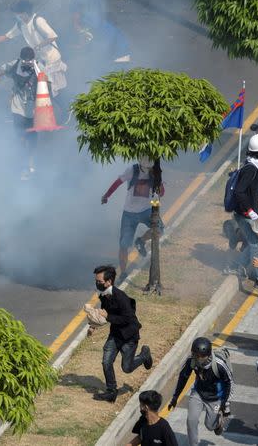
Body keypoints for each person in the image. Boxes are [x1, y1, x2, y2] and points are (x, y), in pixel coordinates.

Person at [0, 0, 68, 98]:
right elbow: (6, 36)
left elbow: (53, 36)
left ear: (25, 13)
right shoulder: (20, 25)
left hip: (52, 59)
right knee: (44, 90)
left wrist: (37, 47)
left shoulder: (38, 21)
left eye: (18, 14)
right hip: (40, 61)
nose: (17, 16)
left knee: (54, 89)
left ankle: (69, 107)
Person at [90, 265, 152, 402]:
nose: (97, 283)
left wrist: (108, 317)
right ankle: (111, 391)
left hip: (129, 336)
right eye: (96, 281)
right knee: (106, 361)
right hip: (115, 334)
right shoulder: (103, 295)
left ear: (109, 281)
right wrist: (93, 325)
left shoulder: (121, 297)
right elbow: (104, 312)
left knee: (127, 368)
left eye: (99, 281)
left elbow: (128, 318)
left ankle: (144, 355)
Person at [101, 157, 165, 277]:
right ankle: (123, 273)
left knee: (160, 229)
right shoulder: (132, 170)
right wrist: (106, 195)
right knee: (124, 245)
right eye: (146, 168)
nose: (147, 170)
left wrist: (157, 179)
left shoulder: (155, 172)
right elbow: (118, 182)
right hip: (129, 213)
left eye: (149, 168)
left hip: (146, 210)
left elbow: (161, 193)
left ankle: (141, 241)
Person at [226, 134, 258, 297]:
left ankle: (236, 265)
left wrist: (257, 200)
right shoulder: (252, 169)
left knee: (257, 243)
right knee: (255, 244)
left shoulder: (253, 165)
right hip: (245, 214)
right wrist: (251, 212)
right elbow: (239, 192)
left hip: (249, 212)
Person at [0, 47, 41, 180]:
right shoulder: (15, 64)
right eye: (25, 60)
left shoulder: (39, 68)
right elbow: (3, 68)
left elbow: (46, 84)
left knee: (32, 138)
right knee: (20, 137)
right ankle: (23, 165)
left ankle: (31, 162)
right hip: (17, 107)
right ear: (21, 58)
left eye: (30, 61)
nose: (27, 63)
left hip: (33, 108)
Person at [168, 337, 233, 443]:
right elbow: (183, 377)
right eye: (195, 355)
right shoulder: (191, 361)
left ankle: (218, 423)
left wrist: (225, 403)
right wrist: (175, 397)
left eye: (201, 357)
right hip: (198, 393)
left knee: (210, 426)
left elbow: (230, 383)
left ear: (207, 356)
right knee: (191, 421)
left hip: (216, 397)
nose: (198, 359)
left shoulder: (219, 365)